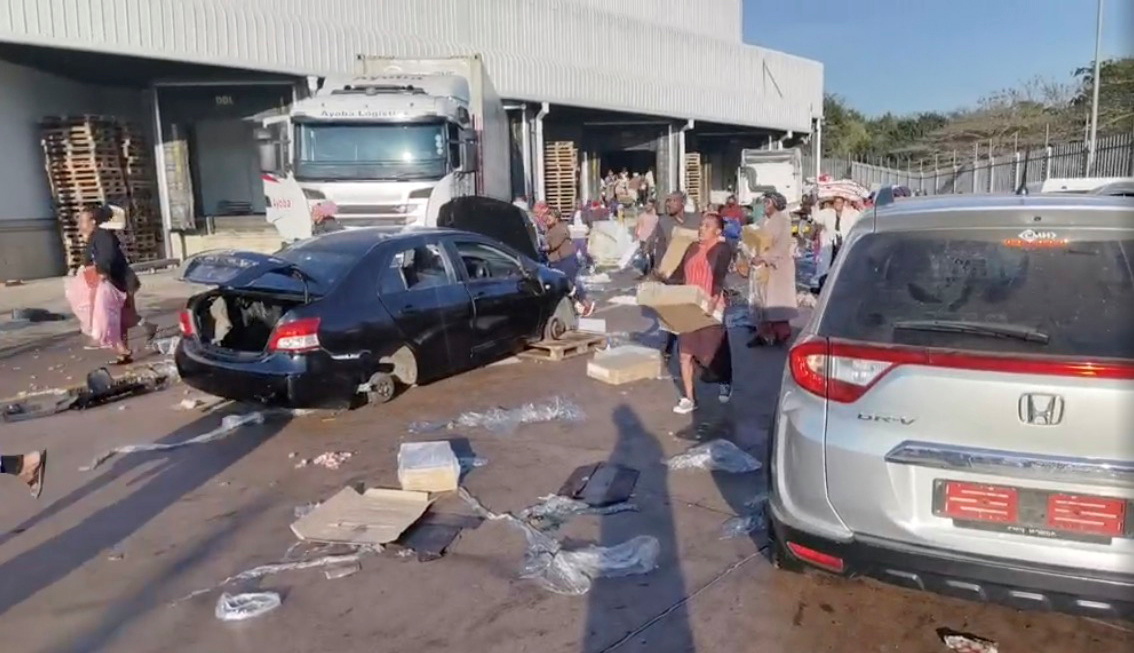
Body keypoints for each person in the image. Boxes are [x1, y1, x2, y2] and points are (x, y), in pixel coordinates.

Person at [665, 213, 733, 414]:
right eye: (701, 225)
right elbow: (679, 273)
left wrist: (713, 297)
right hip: (689, 304)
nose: (701, 229)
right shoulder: (692, 247)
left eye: (707, 226)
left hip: (711, 304)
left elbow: (720, 274)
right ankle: (689, 398)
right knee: (685, 353)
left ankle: (725, 380)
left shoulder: (722, 248)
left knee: (712, 354)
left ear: (718, 231)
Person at [67, 204, 142, 364]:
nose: (80, 225)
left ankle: (111, 343)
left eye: (83, 221)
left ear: (93, 221)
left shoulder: (103, 236)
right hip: (115, 281)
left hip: (118, 281)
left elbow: (108, 256)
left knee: (112, 315)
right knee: (121, 318)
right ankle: (123, 351)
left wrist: (102, 271)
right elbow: (88, 260)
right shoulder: (95, 237)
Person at [746, 192, 798, 347]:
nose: (765, 206)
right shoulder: (762, 221)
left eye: (768, 203)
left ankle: (781, 335)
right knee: (761, 302)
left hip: (779, 268)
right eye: (764, 203)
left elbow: (782, 246)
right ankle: (763, 334)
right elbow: (752, 237)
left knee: (777, 303)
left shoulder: (784, 221)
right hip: (762, 268)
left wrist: (765, 257)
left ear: (776, 204)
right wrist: (750, 253)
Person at [543, 208, 595, 317]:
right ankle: (577, 307)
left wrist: (542, 248)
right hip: (557, 261)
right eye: (546, 216)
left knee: (572, 283)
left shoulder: (560, 228)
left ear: (556, 219)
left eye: (550, 216)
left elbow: (553, 244)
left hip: (566, 260)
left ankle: (586, 304)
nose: (547, 218)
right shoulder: (549, 229)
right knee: (566, 286)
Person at [811, 194, 861, 291]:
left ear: (843, 203)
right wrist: (816, 205)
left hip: (844, 243)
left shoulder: (850, 213)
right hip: (831, 243)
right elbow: (816, 217)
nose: (838, 204)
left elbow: (860, 217)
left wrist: (858, 205)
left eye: (840, 202)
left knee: (843, 264)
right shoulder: (828, 213)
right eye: (836, 202)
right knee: (826, 264)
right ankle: (821, 285)